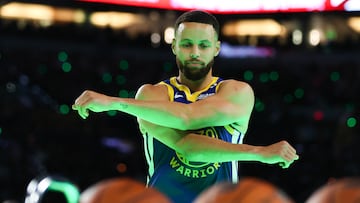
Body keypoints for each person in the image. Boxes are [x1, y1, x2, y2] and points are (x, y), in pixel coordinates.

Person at [72, 10, 299, 203]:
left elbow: (188, 118)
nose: (195, 53)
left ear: (217, 48)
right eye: (187, 44)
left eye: (203, 45)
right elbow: (188, 147)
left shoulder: (237, 92)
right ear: (174, 47)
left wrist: (115, 102)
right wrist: (259, 152)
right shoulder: (151, 94)